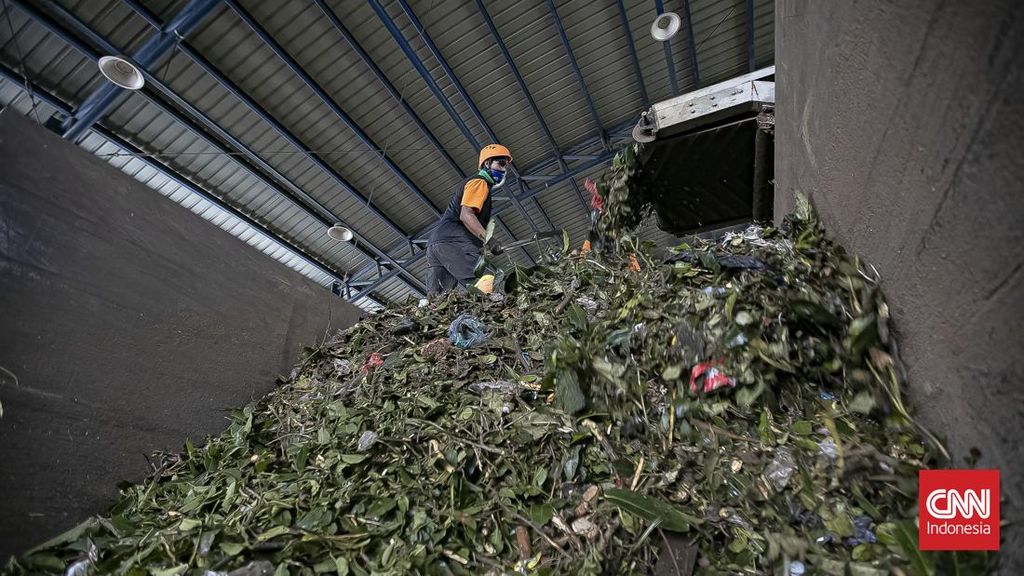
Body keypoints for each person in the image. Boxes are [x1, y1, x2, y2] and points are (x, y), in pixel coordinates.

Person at [425, 144, 511, 297]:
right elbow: (466, 215)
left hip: (437, 244)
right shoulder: (479, 182)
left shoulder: (477, 184)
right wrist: (489, 240)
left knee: (438, 299)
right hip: (453, 242)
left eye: (506, 165)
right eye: (501, 163)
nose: (504, 169)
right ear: (487, 163)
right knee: (485, 282)